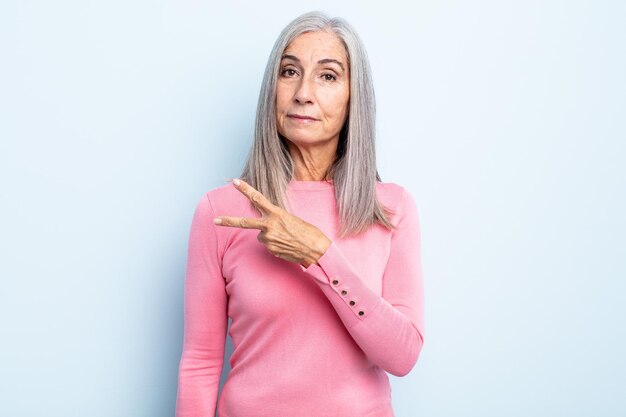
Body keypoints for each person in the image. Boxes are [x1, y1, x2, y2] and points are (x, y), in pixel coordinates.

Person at [175, 11, 425, 417]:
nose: (303, 93)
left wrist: (320, 254)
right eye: (289, 71)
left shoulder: (391, 209)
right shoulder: (220, 211)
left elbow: (403, 356)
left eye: (327, 76)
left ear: (353, 97)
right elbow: (200, 364)